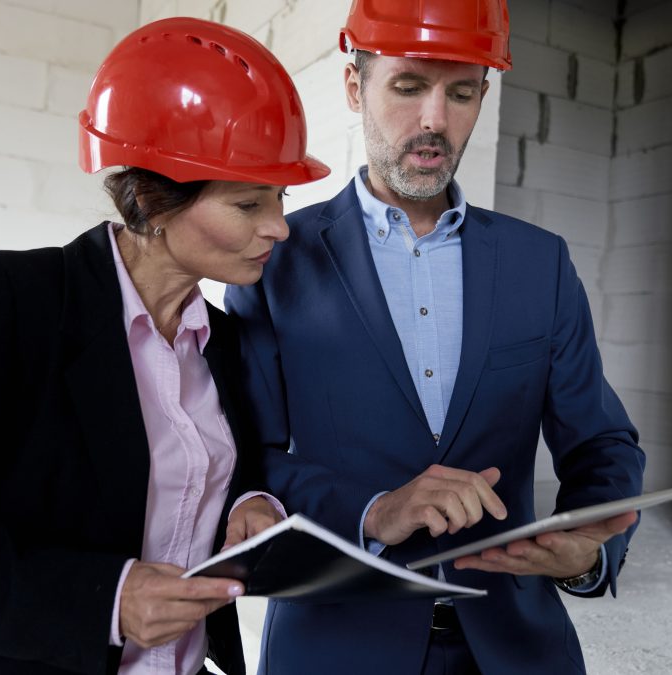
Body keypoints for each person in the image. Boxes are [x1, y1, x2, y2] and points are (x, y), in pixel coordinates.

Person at [0, 17, 329, 675]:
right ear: (154, 203)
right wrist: (109, 600)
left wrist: (246, 506)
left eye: (280, 198)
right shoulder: (11, 302)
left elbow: (188, 479)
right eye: (247, 205)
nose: (279, 227)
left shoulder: (222, 338)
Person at [224, 1, 646, 673]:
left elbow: (601, 443)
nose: (434, 121)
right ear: (356, 87)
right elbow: (246, 461)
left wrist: (590, 545)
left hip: (513, 644)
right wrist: (376, 510)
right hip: (336, 645)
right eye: (409, 85)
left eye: (460, 92)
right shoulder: (274, 258)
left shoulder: (541, 265)